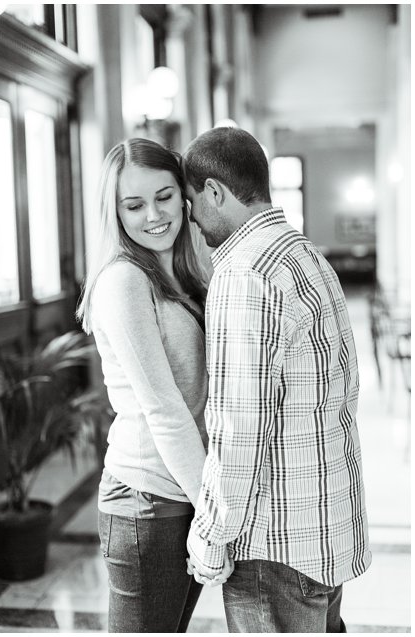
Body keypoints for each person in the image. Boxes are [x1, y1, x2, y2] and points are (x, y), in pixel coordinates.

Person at [182, 127, 371, 632]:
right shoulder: (306, 255)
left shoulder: (244, 272)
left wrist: (210, 535)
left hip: (274, 548)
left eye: (191, 202)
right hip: (326, 528)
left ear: (215, 192)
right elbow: (347, 391)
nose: (193, 220)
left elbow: (240, 428)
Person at [76, 138, 215, 632]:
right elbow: (165, 409)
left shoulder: (179, 269)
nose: (154, 215)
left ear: (184, 195)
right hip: (147, 501)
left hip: (180, 491)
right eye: (134, 205)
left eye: (164, 196)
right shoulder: (123, 281)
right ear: (114, 213)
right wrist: (212, 509)